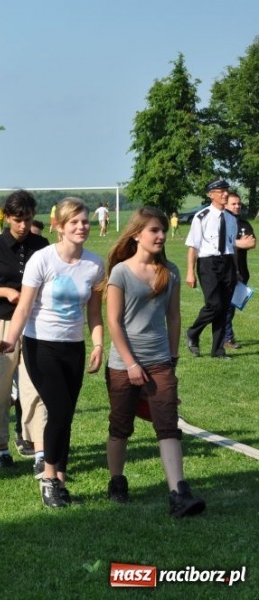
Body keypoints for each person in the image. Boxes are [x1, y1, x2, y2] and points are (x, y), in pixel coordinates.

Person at [0, 198, 105, 508]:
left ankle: (60, 481)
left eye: (85, 222)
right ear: (59, 227)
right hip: (41, 346)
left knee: (65, 416)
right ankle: (48, 478)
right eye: (75, 222)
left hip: (74, 348)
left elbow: (95, 313)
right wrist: (12, 340)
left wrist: (97, 344)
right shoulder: (42, 260)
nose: (82, 227)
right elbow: (24, 307)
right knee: (58, 411)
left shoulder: (95, 265)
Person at [103, 207, 205, 518]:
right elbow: (114, 323)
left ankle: (178, 493)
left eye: (162, 230)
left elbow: (174, 318)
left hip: (160, 361)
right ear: (136, 235)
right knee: (121, 426)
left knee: (168, 425)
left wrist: (172, 357)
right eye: (154, 231)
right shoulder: (120, 272)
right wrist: (132, 364)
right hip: (123, 364)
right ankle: (117, 482)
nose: (161, 236)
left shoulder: (170, 271)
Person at [0, 190, 49, 471]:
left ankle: (39, 452)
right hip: (0, 324)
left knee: (35, 389)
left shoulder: (42, 245)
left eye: (27, 220)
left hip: (34, 324)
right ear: (6, 218)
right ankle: (2, 450)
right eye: (18, 220)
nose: (23, 226)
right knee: (0, 392)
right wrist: (5, 291)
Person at [184, 178, 238, 360]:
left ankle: (218, 350)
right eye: (220, 191)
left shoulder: (231, 218)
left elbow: (232, 245)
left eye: (226, 191)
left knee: (224, 308)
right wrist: (190, 271)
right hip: (208, 263)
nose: (224, 194)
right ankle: (193, 332)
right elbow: (193, 247)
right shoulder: (201, 217)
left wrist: (235, 269)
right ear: (210, 195)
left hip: (228, 263)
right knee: (214, 304)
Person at [224, 191, 255, 350]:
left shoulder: (243, 223)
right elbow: (218, 242)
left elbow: (252, 243)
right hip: (226, 270)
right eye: (233, 204)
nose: (237, 206)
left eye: (239, 204)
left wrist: (233, 242)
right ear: (226, 204)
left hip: (242, 272)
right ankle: (226, 338)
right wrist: (238, 242)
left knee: (232, 306)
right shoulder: (222, 222)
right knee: (225, 307)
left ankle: (226, 336)